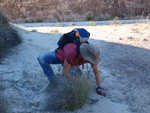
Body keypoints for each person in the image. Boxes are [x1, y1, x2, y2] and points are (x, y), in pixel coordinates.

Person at [37, 42, 106, 96]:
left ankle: (76, 71)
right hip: (60, 56)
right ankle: (53, 82)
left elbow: (96, 72)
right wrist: (79, 82)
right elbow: (64, 73)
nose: (90, 61)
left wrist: (99, 87)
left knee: (64, 83)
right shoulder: (73, 52)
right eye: (89, 59)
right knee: (41, 58)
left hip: (70, 63)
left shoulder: (91, 54)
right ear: (85, 55)